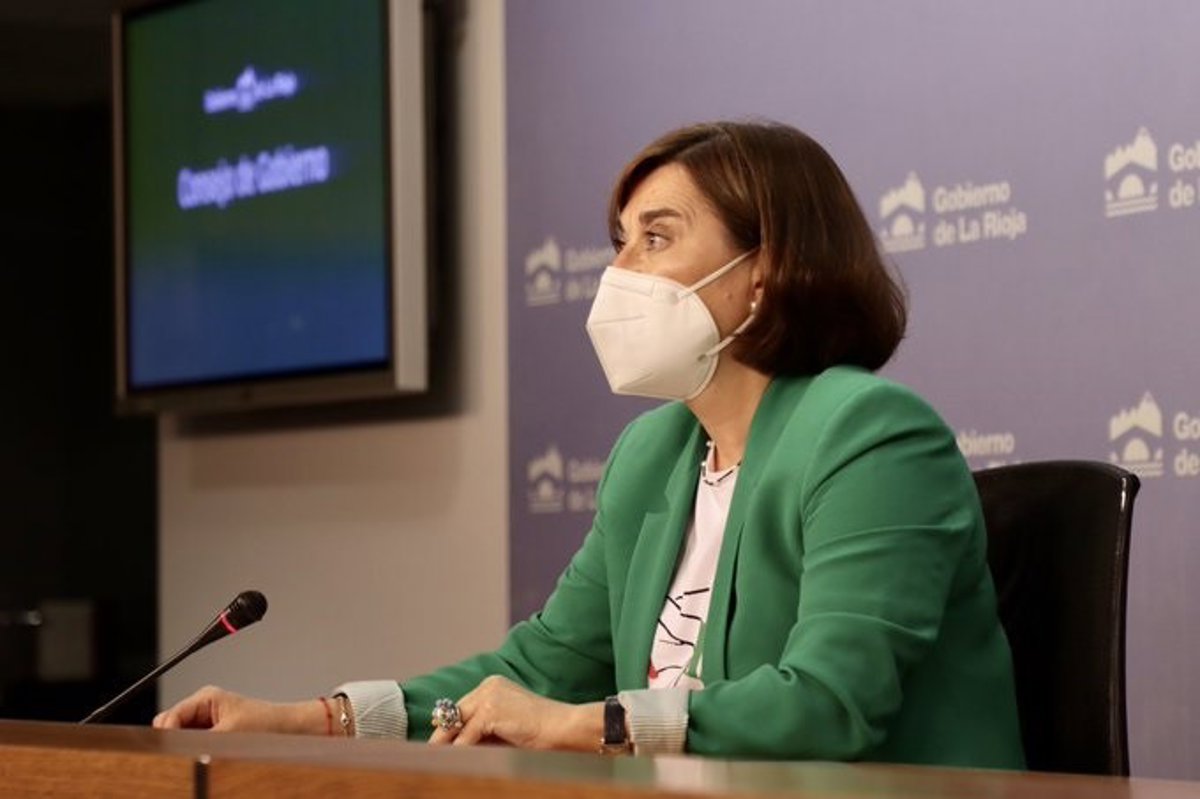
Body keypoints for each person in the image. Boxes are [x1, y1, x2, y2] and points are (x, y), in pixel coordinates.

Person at [154, 120, 1025, 768]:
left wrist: (583, 725)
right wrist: (314, 718)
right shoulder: (653, 454)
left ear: (763, 269)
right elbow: (540, 667)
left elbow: (830, 704)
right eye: (620, 243)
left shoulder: (869, 433)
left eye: (657, 238)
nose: (619, 272)